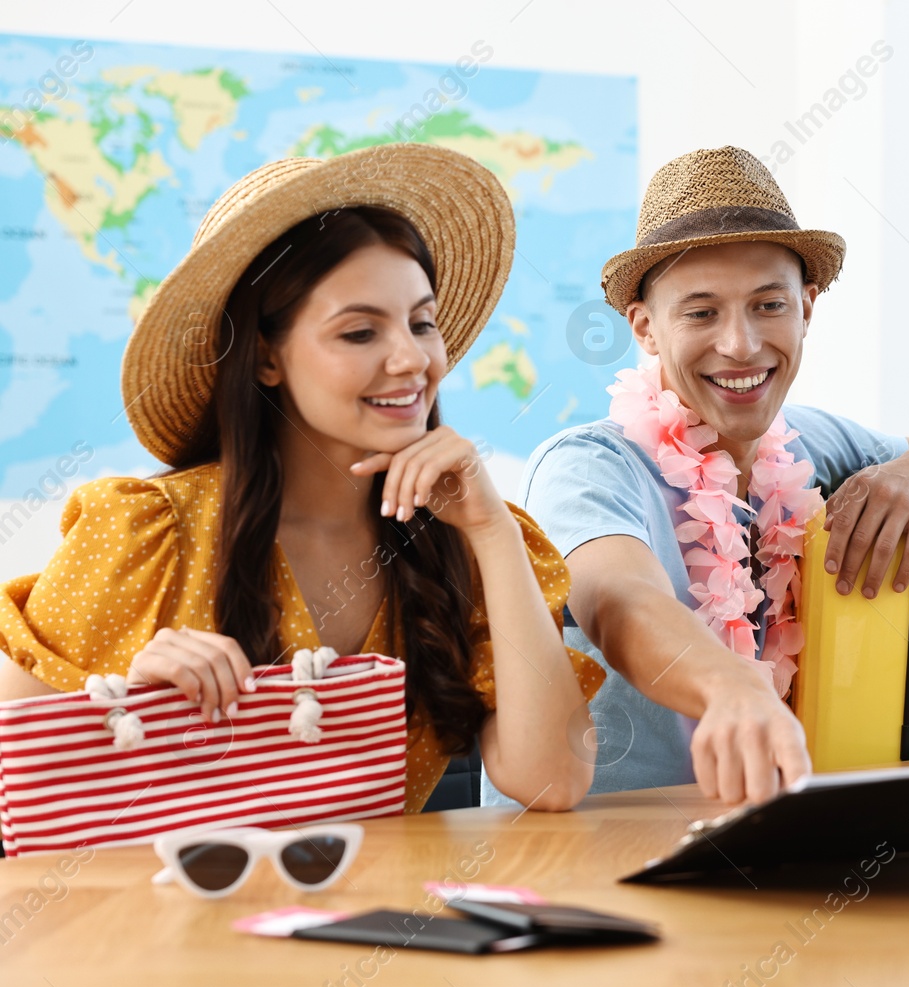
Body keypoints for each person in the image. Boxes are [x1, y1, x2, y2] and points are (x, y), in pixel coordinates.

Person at [0, 145, 604, 814]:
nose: (411, 359)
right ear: (264, 357)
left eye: (421, 323)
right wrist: (128, 701)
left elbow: (555, 779)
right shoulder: (146, 530)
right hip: (173, 916)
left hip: (377, 917)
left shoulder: (463, 541)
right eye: (358, 333)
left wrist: (491, 532)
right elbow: (18, 774)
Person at [483, 146, 909, 807]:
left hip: (761, 840)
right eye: (700, 312)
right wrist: (734, 687)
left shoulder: (814, 442)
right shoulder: (585, 465)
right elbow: (620, 603)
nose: (742, 344)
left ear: (807, 308)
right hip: (591, 856)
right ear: (646, 328)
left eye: (768, 304)